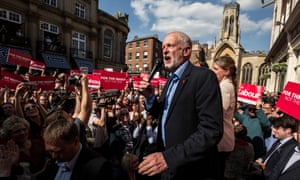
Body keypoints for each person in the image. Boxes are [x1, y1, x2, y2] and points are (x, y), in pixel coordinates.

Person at [138, 31, 223, 180]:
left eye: (170, 46)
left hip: (190, 169)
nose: (164, 50)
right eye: (163, 46)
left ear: (186, 51)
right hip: (168, 167)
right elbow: (163, 113)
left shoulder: (203, 77)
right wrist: (150, 97)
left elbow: (211, 131)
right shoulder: (171, 80)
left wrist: (169, 158)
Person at [36, 118, 114, 180]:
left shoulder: (99, 168)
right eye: (50, 152)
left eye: (59, 151)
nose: (54, 156)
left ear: (76, 141)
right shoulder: (51, 163)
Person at [211, 55, 237, 178]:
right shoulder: (227, 85)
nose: (213, 72)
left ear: (226, 71)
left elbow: (218, 111)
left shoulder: (224, 86)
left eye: (216, 69)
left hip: (222, 139)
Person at [255, 114, 298, 179]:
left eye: (277, 128)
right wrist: (262, 160)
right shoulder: (279, 141)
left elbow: (278, 168)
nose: (274, 130)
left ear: (288, 131)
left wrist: (262, 172)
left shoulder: (291, 147)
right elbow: (269, 156)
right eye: (274, 127)